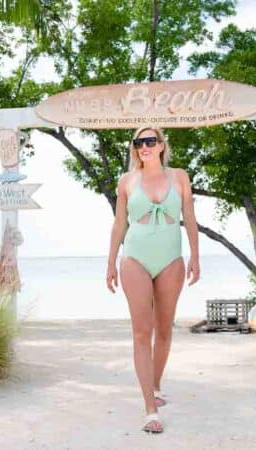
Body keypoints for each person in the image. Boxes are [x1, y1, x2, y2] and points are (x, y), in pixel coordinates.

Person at [106, 127, 200, 434]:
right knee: (140, 332)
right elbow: (120, 224)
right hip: (134, 258)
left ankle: (156, 385)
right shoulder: (126, 181)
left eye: (150, 141)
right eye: (139, 142)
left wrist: (195, 257)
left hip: (171, 259)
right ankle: (149, 408)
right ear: (135, 148)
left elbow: (190, 219)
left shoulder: (180, 177)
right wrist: (110, 263)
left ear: (161, 145)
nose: (144, 146)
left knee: (164, 328)